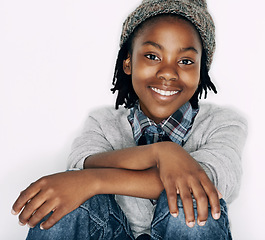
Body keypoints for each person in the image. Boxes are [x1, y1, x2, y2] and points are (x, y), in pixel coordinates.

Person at [12, 0, 247, 239]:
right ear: (128, 63)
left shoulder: (223, 123)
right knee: (66, 203)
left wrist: (95, 181)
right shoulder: (103, 122)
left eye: (186, 61)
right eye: (152, 56)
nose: (168, 72)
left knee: (195, 202)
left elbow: (200, 181)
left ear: (201, 70)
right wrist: (161, 153)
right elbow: (82, 164)